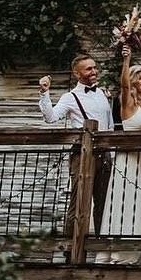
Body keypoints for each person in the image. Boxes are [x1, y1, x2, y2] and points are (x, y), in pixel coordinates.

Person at [38, 55, 114, 241]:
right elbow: (51, 117)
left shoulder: (102, 94)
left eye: (95, 67)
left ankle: (99, 247)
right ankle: (70, 249)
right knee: (79, 202)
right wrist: (44, 93)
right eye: (88, 69)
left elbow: (110, 125)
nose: (94, 72)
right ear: (76, 73)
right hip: (82, 154)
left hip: (104, 155)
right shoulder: (70, 97)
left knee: (103, 203)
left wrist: (111, 152)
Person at [97, 44, 141, 265]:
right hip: (128, 160)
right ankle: (117, 253)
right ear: (133, 81)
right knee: (123, 202)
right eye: (140, 78)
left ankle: (135, 253)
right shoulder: (127, 102)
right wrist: (126, 60)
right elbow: (123, 84)